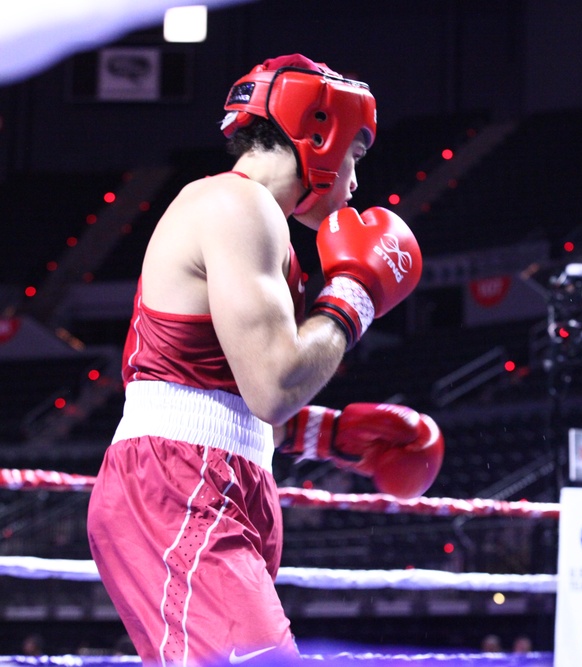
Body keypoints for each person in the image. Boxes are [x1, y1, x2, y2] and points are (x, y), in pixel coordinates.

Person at [86, 54, 444, 666]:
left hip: (212, 478)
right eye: (355, 155)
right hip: (183, 482)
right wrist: (354, 296)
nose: (355, 180)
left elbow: (224, 388)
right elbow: (275, 386)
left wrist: (325, 433)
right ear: (319, 134)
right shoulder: (238, 206)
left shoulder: (255, 225)